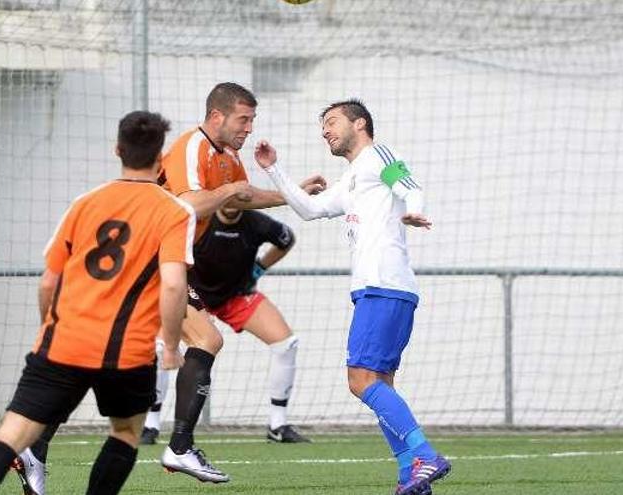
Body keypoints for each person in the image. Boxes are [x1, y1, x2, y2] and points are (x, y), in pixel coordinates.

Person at [0, 110, 193, 495]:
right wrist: (169, 347)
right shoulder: (173, 211)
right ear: (160, 156)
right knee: (126, 430)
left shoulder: (84, 203)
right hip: (127, 351)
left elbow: (48, 281)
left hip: (63, 342)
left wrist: (49, 330)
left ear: (117, 149)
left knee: (13, 431)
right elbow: (172, 285)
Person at [254, 99, 451, 495]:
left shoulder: (380, 154)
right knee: (380, 384)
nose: (325, 130)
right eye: (322, 125)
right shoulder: (351, 178)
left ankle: (424, 455)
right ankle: (409, 476)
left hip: (384, 286)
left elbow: (408, 184)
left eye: (331, 121)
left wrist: (413, 210)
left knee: (359, 380)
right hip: (380, 291)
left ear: (359, 123)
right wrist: (274, 168)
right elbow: (309, 209)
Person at [155, 82, 323, 483]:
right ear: (217, 116)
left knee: (202, 343)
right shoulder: (193, 147)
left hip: (173, 263)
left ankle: (179, 445)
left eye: (252, 120)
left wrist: (292, 193)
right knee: (193, 343)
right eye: (243, 119)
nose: (249, 128)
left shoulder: (227, 156)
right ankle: (175, 444)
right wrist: (229, 189)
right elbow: (189, 203)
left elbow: (242, 198)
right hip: (152, 259)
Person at [139, 205, 310, 446]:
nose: (232, 200)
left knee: (286, 344)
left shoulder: (256, 222)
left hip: (236, 296)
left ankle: (277, 424)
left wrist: (258, 268)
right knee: (161, 347)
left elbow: (287, 238)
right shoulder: (198, 223)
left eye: (239, 195)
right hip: (194, 296)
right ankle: (151, 424)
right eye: (226, 193)